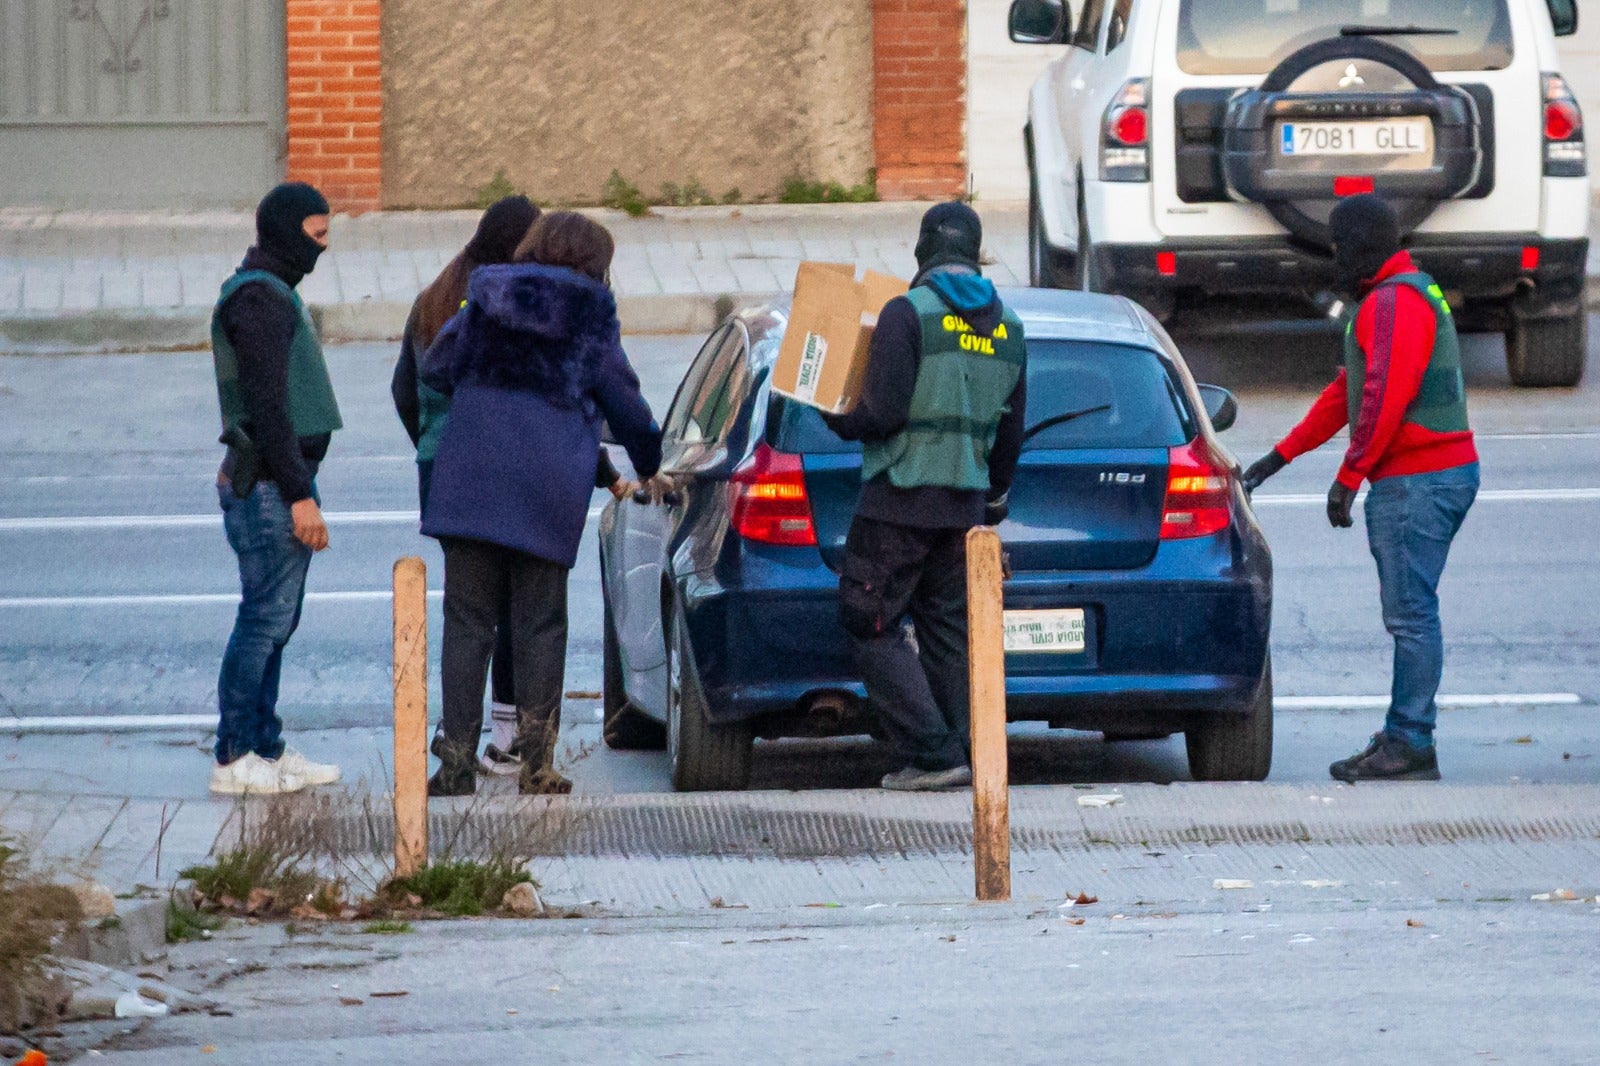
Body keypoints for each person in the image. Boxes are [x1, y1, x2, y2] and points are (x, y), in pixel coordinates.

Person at [420, 212, 664, 796]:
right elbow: (624, 402)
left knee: (466, 622)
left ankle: (455, 763)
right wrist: (650, 463)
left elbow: (435, 367)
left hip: (470, 478)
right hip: (543, 486)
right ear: (595, 265)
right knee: (540, 625)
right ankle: (536, 764)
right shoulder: (590, 314)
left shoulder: (486, 293)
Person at [1241, 193, 1479, 782]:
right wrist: (1278, 458)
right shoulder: (1404, 293)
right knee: (1413, 613)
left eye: (1343, 245)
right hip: (1435, 474)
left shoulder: (1393, 304)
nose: (1336, 256)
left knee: (1412, 617)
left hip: (1419, 480)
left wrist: (1346, 480)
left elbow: (1382, 400)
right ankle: (1406, 733)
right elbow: (1349, 392)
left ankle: (1409, 742)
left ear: (1368, 246)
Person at [821, 202, 1027, 791]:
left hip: (897, 504)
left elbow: (881, 414)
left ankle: (933, 755)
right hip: (963, 509)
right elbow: (1009, 433)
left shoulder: (906, 314)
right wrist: (989, 500)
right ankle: (966, 749)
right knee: (946, 631)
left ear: (921, 252)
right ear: (977, 253)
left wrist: (835, 416)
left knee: (869, 619)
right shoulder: (1010, 326)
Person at [209, 182, 344, 795]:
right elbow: (269, 408)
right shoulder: (260, 301)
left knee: (275, 621)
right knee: (264, 620)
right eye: (316, 235)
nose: (323, 246)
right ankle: (237, 755)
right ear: (289, 234)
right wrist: (300, 495)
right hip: (267, 484)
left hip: (270, 479)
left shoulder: (267, 291)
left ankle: (263, 746)